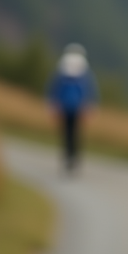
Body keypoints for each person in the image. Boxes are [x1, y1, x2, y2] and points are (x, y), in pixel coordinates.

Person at [47, 43, 97, 172]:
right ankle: (72, 156)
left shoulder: (63, 69)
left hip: (67, 107)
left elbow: (54, 88)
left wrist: (53, 105)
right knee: (73, 133)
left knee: (68, 133)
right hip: (75, 108)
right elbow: (90, 90)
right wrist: (90, 107)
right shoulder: (83, 72)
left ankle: (70, 156)